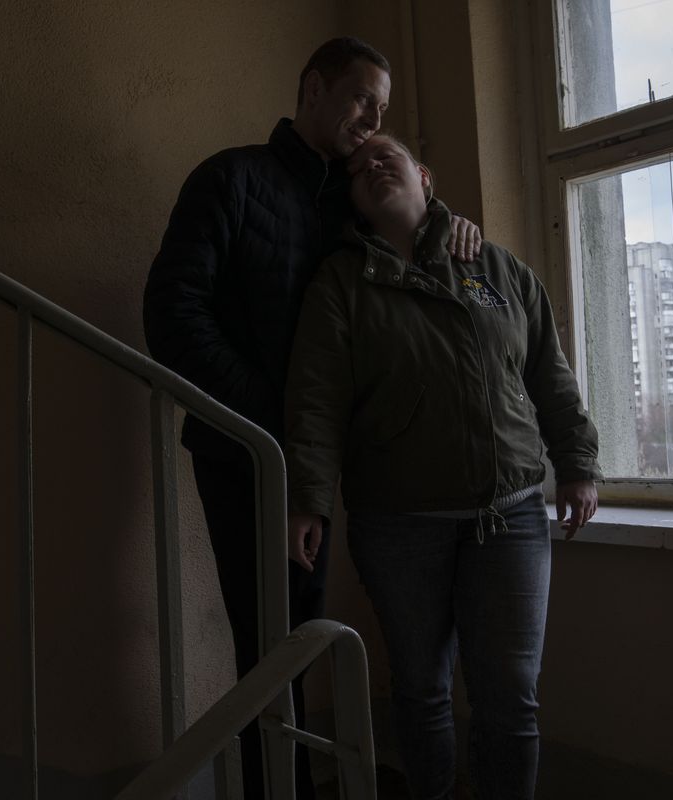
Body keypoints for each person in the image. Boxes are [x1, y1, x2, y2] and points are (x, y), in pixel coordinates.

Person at [143, 38, 482, 800]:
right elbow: (173, 312)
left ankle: (296, 783)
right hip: (243, 454)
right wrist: (274, 423)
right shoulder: (230, 179)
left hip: (318, 470)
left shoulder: (352, 204)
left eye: (383, 110)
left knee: (300, 640)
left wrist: (453, 222)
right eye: (362, 98)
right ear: (314, 88)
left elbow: (409, 243)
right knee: (265, 645)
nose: (372, 119)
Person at [282, 133, 602, 800]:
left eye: (387, 158)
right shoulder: (340, 283)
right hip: (400, 526)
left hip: (509, 518)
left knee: (510, 699)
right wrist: (308, 497)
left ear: (424, 178)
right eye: (358, 168)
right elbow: (315, 399)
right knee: (422, 690)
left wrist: (577, 462)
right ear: (354, 201)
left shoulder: (497, 268)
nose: (371, 167)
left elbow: (550, 374)